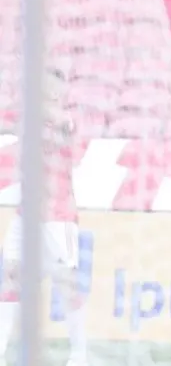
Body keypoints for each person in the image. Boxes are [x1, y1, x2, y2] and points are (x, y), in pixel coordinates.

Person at [0, 114, 88, 366]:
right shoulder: (27, 117)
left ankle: (79, 354)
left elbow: (68, 129)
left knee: (67, 283)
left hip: (57, 217)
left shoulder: (63, 121)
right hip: (25, 214)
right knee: (11, 277)